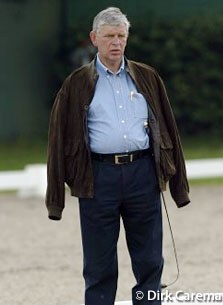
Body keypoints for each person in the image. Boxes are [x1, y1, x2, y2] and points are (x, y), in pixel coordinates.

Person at [45, 7, 190, 305]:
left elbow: (169, 131)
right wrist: (55, 199)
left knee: (150, 260)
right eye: (109, 35)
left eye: (121, 35)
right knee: (99, 265)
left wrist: (179, 187)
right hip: (97, 178)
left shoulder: (147, 77)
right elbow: (57, 139)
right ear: (94, 38)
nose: (116, 42)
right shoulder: (76, 83)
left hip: (143, 174)